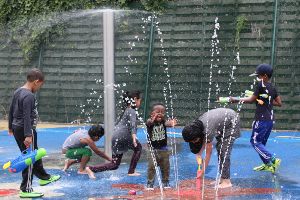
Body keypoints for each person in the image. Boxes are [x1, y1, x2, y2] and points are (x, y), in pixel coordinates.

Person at [8, 68, 60, 198]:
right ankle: (26, 189)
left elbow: (11, 110)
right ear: (36, 82)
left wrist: (10, 126)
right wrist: (28, 135)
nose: (39, 87)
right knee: (29, 159)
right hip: (26, 129)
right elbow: (26, 116)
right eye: (40, 85)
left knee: (34, 154)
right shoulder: (28, 95)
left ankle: (43, 177)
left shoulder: (18, 91)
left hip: (17, 127)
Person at [230, 63, 282, 173]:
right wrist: (264, 99)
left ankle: (271, 158)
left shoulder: (260, 85)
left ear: (265, 76)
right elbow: (279, 103)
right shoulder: (272, 87)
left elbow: (251, 100)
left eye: (258, 76)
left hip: (261, 120)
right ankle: (268, 165)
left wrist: (235, 99)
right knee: (261, 144)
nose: (257, 78)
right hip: (270, 120)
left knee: (254, 142)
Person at [182, 108, 240, 189]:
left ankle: (226, 181)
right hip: (223, 119)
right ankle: (222, 178)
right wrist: (198, 154)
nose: (194, 142)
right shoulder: (197, 126)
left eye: (195, 140)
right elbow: (203, 141)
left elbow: (208, 153)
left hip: (231, 121)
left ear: (199, 135)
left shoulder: (207, 130)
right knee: (220, 148)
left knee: (224, 150)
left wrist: (202, 172)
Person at [88, 91, 142, 176]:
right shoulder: (131, 110)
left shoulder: (125, 111)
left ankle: (91, 169)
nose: (140, 103)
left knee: (115, 164)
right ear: (135, 99)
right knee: (138, 148)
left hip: (116, 137)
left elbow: (116, 124)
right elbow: (133, 124)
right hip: (124, 136)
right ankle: (131, 171)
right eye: (139, 100)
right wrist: (134, 136)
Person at [145, 103, 177, 190]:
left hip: (163, 149)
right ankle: (150, 183)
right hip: (152, 150)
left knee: (165, 167)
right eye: (157, 112)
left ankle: (165, 182)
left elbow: (167, 123)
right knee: (152, 167)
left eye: (162, 112)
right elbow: (150, 122)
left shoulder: (163, 122)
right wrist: (153, 119)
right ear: (152, 114)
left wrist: (172, 123)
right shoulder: (149, 122)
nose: (160, 114)